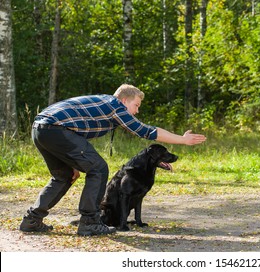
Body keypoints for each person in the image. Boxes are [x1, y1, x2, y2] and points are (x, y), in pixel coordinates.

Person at [19, 84, 206, 236]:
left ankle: (32, 220)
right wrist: (182, 140)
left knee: (65, 175)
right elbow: (147, 131)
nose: (137, 111)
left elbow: (71, 130)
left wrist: (71, 164)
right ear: (124, 100)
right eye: (136, 105)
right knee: (98, 169)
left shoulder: (104, 104)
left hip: (41, 129)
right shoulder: (115, 106)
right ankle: (90, 222)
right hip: (55, 129)